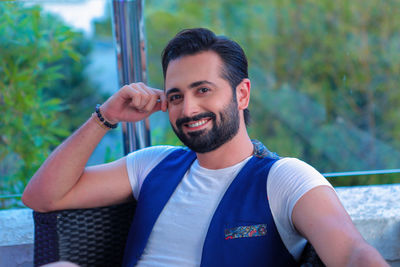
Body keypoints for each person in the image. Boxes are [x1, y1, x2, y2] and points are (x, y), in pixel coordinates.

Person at [23, 28, 388, 266]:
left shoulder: (283, 178)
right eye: (176, 96)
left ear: (241, 93)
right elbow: (43, 197)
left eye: (203, 90)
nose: (188, 109)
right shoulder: (154, 164)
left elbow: (351, 253)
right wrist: (105, 116)